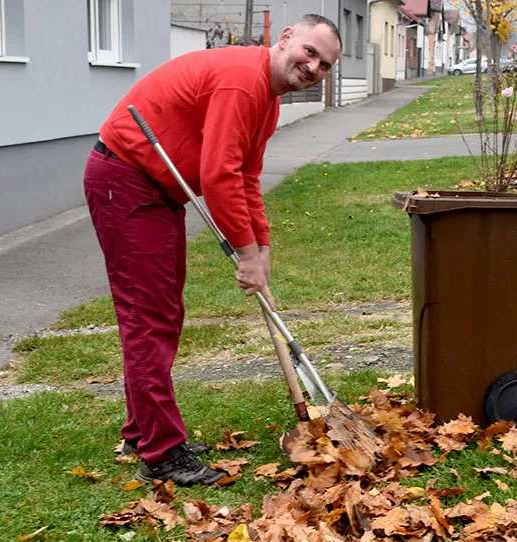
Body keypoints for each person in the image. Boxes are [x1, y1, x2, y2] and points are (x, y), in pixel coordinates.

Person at [83, 15, 342, 487]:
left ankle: (142, 432)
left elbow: (245, 179)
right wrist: (244, 255)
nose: (313, 68)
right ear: (285, 38)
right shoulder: (243, 84)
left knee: (162, 312)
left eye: (324, 65)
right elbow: (218, 175)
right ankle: (161, 454)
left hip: (157, 191)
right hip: (127, 179)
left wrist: (261, 249)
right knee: (149, 316)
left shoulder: (267, 102)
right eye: (309, 52)